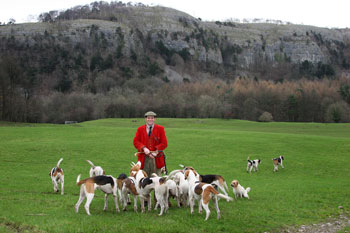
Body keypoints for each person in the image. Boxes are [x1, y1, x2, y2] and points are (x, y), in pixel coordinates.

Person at [133, 111, 168, 176]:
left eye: (152, 118)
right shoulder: (140, 129)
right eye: (148, 118)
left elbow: (164, 143)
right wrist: (144, 148)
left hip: (156, 158)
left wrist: (156, 151)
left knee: (157, 179)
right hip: (143, 159)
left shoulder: (160, 129)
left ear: (154, 119)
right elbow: (135, 142)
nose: (150, 119)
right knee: (143, 179)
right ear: (145, 119)